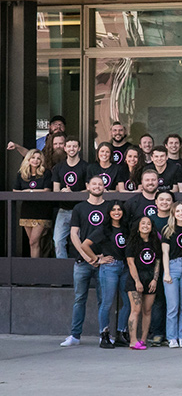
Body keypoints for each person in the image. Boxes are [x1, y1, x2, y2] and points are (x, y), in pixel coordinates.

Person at [60, 175, 109, 347]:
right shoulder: (79, 208)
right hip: (82, 261)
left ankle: (105, 335)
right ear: (87, 186)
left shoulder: (110, 207)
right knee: (79, 298)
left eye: (100, 184)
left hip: (104, 262)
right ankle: (75, 336)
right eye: (94, 184)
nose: (97, 187)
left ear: (104, 187)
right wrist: (88, 257)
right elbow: (74, 234)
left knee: (104, 300)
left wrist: (98, 259)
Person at [84, 201, 128, 348]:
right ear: (109, 212)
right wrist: (97, 259)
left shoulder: (125, 228)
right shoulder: (104, 228)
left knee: (128, 303)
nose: (117, 212)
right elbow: (85, 245)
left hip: (125, 267)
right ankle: (104, 335)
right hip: (110, 267)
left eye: (119, 209)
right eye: (114, 210)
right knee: (107, 303)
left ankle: (121, 333)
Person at [124, 215, 161, 350]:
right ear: (138, 227)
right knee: (136, 309)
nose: (145, 226)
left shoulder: (155, 241)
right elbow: (130, 262)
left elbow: (157, 261)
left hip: (150, 278)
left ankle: (143, 340)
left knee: (147, 310)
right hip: (135, 279)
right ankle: (133, 340)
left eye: (148, 224)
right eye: (143, 223)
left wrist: (155, 279)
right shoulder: (132, 242)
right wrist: (137, 281)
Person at [51, 136, 88, 259]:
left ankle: (81, 265)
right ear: (65, 148)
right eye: (69, 146)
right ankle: (62, 267)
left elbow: (89, 189)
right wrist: (63, 191)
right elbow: (55, 190)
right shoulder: (58, 168)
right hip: (64, 210)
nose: (72, 149)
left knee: (81, 241)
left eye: (75, 146)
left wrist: (73, 193)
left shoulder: (85, 167)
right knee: (58, 240)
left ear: (79, 148)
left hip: (81, 209)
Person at [161, 201, 182, 347]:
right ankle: (172, 337)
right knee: (173, 306)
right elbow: (165, 253)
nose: (181, 213)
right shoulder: (168, 230)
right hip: (172, 267)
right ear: (173, 213)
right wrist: (166, 272)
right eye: (178, 211)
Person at [16, 148, 52, 257]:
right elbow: (15, 190)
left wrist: (30, 191)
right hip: (27, 210)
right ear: (28, 159)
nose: (35, 160)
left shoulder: (46, 173)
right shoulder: (22, 173)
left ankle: (36, 267)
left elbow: (47, 190)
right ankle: (36, 266)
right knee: (33, 243)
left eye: (38, 158)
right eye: (33, 158)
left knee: (33, 241)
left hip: (42, 211)